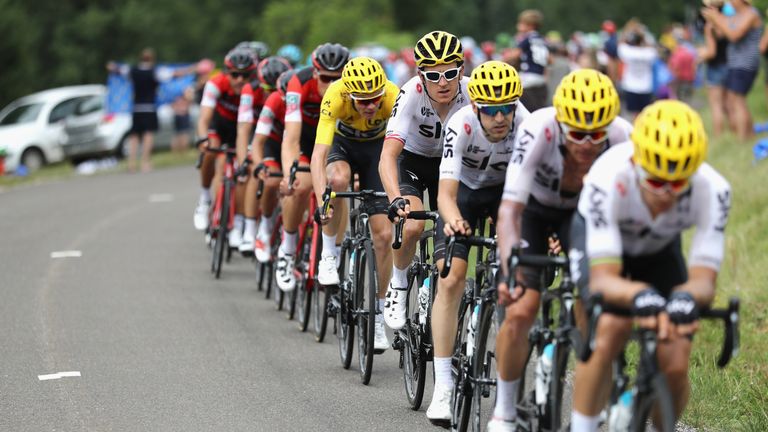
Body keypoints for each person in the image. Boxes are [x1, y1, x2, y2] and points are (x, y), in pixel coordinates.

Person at [567, 99, 731, 432]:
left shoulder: (713, 190)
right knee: (609, 329)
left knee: (676, 351)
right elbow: (603, 280)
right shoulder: (608, 175)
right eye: (655, 181)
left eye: (678, 183)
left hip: (658, 248)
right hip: (603, 245)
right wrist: (640, 294)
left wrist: (686, 299)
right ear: (635, 161)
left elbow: (703, 281)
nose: (667, 193)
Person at [489, 69, 632, 431]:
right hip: (533, 211)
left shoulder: (622, 138)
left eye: (596, 133)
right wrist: (508, 267)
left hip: (582, 215)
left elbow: (627, 216)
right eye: (577, 133)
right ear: (561, 122)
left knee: (593, 301)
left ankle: (592, 383)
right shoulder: (539, 128)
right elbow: (510, 210)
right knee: (521, 308)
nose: (587, 142)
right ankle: (504, 411)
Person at [426, 60, 530, 426]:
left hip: (506, 193)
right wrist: (454, 220)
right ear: (476, 107)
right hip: (464, 194)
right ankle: (443, 384)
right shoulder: (460, 125)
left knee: (516, 280)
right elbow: (445, 195)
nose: (500, 118)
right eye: (491, 110)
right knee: (451, 277)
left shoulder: (526, 127)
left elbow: (528, 195)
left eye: (507, 108)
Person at [378, 30, 470, 330]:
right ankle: (400, 282)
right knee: (414, 224)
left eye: (450, 73)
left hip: (451, 164)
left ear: (462, 70)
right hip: (413, 161)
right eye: (433, 75)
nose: (442, 83)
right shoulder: (410, 94)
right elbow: (388, 156)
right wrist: (395, 199)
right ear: (421, 75)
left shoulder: (472, 95)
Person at [310, 57, 400, 353]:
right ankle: (329, 254)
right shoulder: (334, 94)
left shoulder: (393, 95)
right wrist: (323, 199)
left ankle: (377, 313)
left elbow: (405, 148)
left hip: (377, 152)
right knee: (337, 180)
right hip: (343, 147)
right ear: (349, 95)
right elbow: (319, 155)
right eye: (363, 101)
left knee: (384, 236)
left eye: (375, 99)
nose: (371, 106)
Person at [275, 43, 349, 291]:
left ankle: (334, 253)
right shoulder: (299, 82)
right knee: (299, 187)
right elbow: (291, 138)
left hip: (334, 142)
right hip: (306, 140)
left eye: (336, 79)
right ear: (315, 73)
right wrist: (289, 175)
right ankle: (287, 249)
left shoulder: (350, 87)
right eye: (326, 78)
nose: (331, 85)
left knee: (338, 185)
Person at [192, 48, 256, 231]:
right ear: (226, 72)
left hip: (243, 131)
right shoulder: (215, 83)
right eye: (234, 74)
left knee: (243, 171)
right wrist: (203, 138)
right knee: (210, 151)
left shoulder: (255, 89)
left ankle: (236, 219)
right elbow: (203, 118)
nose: (239, 80)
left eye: (245, 75)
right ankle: (205, 198)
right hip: (218, 126)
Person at [233, 56, 292, 254]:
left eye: (275, 89)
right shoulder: (251, 90)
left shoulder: (290, 95)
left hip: (291, 140)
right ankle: (252, 231)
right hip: (267, 138)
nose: (272, 94)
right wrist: (244, 162)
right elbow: (243, 130)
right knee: (258, 174)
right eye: (267, 90)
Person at [106, 48, 193, 172]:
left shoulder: (133, 70)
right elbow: (175, 74)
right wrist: (193, 69)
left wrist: (111, 65)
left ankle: (131, 163)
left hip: (136, 108)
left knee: (134, 135)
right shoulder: (155, 72)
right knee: (148, 135)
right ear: (152, 59)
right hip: (150, 107)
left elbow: (116, 69)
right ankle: (145, 162)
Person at [251, 70, 297, 263]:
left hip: (298, 145)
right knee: (272, 181)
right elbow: (258, 140)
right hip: (273, 144)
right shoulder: (273, 101)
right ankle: (266, 226)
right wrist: (259, 164)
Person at [702, 0, 763, 140]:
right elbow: (723, 34)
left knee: (737, 100)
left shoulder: (751, 14)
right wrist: (713, 21)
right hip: (736, 64)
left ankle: (743, 139)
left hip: (745, 64)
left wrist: (716, 17)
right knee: (735, 101)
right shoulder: (738, 15)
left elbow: (734, 35)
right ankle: (749, 136)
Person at [699, 0, 731, 137]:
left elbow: (711, 52)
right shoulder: (728, 20)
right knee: (729, 105)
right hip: (730, 65)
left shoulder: (710, 25)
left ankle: (719, 138)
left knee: (716, 106)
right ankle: (735, 133)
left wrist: (699, 56)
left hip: (715, 67)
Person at [617, 20, 658, 118]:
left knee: (632, 115)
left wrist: (628, 29)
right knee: (645, 114)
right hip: (645, 87)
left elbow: (620, 44)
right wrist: (642, 35)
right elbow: (653, 47)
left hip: (631, 86)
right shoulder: (649, 53)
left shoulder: (628, 51)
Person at [512, 10, 550, 111]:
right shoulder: (542, 39)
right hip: (540, 77)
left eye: (521, 23)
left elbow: (515, 55)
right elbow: (549, 59)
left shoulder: (527, 38)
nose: (518, 26)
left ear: (530, 25)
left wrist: (501, 59)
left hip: (528, 76)